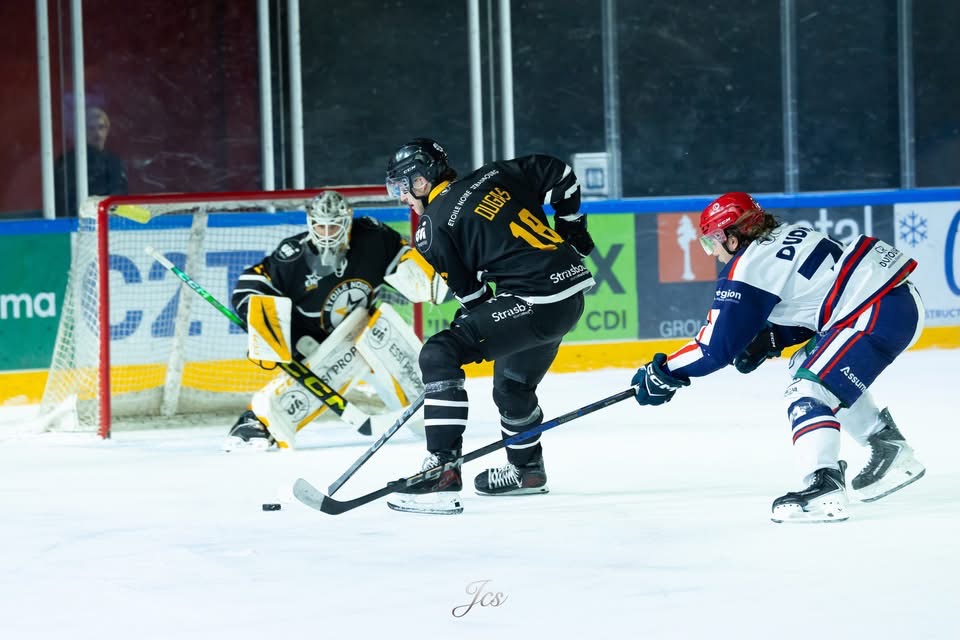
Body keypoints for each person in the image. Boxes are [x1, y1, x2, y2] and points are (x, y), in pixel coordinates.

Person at [630, 192, 926, 523]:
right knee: (806, 367)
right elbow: (820, 304)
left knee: (807, 391)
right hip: (893, 303)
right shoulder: (792, 233)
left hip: (873, 312)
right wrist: (773, 338)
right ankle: (887, 447)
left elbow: (713, 349)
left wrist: (662, 371)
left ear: (733, 234)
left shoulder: (748, 265)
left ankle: (823, 485)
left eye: (713, 240)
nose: (713, 251)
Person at [383, 138, 596, 515]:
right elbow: (561, 174)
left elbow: (475, 296)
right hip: (569, 294)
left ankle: (442, 470)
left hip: (534, 300)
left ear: (422, 180)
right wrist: (572, 226)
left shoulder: (430, 227)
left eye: (403, 186)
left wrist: (473, 323)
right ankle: (526, 471)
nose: (402, 197)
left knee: (438, 353)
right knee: (512, 387)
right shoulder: (497, 174)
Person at [224, 189, 442, 451]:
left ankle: (435, 406)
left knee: (385, 336)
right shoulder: (293, 256)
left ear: (347, 222)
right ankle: (257, 420)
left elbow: (401, 255)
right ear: (310, 224)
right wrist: (256, 316)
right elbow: (252, 282)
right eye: (321, 227)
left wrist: (422, 274)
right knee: (319, 366)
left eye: (334, 227)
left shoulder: (372, 238)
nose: (327, 234)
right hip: (310, 340)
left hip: (362, 325)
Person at [54, 106, 128, 217]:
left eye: (101, 127)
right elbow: (64, 202)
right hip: (77, 224)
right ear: (81, 131)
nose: (97, 133)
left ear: (107, 130)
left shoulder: (114, 161)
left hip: (111, 223)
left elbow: (119, 197)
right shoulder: (68, 162)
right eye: (91, 128)